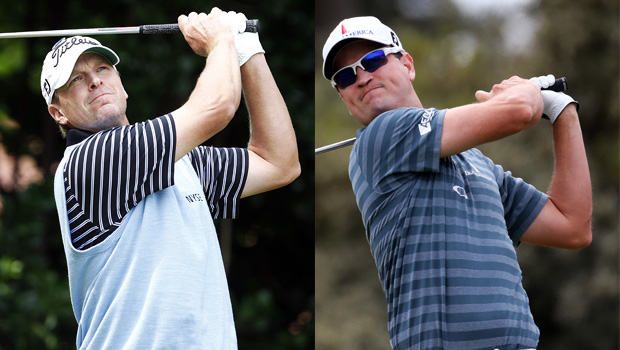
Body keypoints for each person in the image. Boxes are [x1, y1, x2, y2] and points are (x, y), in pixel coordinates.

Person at [321, 16, 591, 350]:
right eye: (345, 77)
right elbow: (520, 110)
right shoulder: (380, 137)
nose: (361, 77)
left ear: (407, 64)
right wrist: (525, 91)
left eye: (373, 60)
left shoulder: (476, 163)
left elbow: (573, 226)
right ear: (343, 97)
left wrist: (564, 112)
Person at [41, 8, 300, 349]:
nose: (94, 80)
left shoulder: (178, 161)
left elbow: (279, 163)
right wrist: (221, 40)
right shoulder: (91, 160)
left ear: (122, 84)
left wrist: (247, 50)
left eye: (103, 68)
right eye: (76, 79)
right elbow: (217, 108)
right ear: (58, 112)